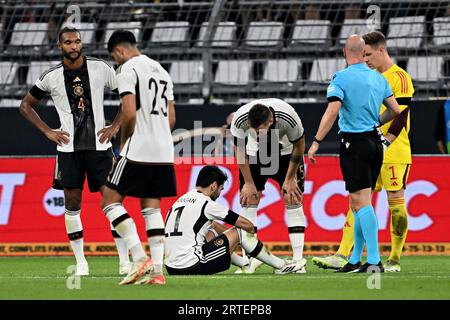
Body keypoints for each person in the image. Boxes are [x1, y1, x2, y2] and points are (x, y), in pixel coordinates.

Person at [19, 26, 130, 276]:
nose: (74, 46)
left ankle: (124, 260)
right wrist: (47, 131)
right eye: (68, 42)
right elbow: (25, 105)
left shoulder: (100, 68)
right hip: (68, 150)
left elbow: (128, 96)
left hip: (100, 148)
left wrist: (115, 125)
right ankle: (81, 262)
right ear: (60, 46)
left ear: (82, 44)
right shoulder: (51, 76)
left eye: (77, 42)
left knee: (111, 200)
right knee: (72, 203)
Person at [312, 31, 414, 273]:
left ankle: (377, 260)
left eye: (371, 54)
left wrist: (316, 140)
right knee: (358, 202)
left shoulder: (343, 77)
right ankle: (354, 258)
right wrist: (377, 125)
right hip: (375, 144)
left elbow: (332, 111)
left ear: (345, 53)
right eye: (365, 54)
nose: (368, 58)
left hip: (357, 144)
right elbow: (396, 110)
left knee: (363, 202)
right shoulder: (379, 79)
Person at [101, 29, 176, 285]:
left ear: (120, 51)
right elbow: (172, 118)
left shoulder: (127, 70)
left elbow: (129, 113)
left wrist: (124, 146)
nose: (116, 62)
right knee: (151, 207)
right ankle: (157, 272)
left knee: (109, 200)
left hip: (139, 147)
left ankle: (137, 256)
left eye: (115, 57)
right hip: (164, 150)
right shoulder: (162, 71)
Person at [164, 165, 306, 275]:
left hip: (171, 267)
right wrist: (241, 238)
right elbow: (247, 225)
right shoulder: (207, 204)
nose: (219, 193)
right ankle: (281, 266)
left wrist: (231, 237)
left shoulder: (180, 201)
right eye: (220, 189)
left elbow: (212, 225)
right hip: (191, 265)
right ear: (213, 186)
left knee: (212, 232)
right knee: (241, 231)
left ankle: (245, 264)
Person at [230, 98, 307, 273]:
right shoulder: (241, 118)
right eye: (254, 130)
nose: (257, 134)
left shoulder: (288, 116)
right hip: (255, 154)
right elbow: (239, 151)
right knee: (248, 200)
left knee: (293, 198)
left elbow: (300, 145)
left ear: (271, 121)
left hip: (286, 154)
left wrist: (290, 178)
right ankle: (250, 260)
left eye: (261, 131)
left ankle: (297, 260)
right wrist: (248, 183)